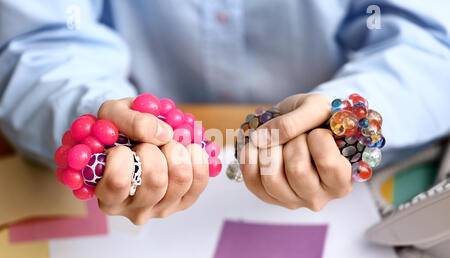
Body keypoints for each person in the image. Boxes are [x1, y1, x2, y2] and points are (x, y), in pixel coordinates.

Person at [0, 0, 449, 224]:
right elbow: (42, 38)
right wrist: (95, 121)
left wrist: (355, 118)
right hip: (127, 144)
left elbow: (431, 38)